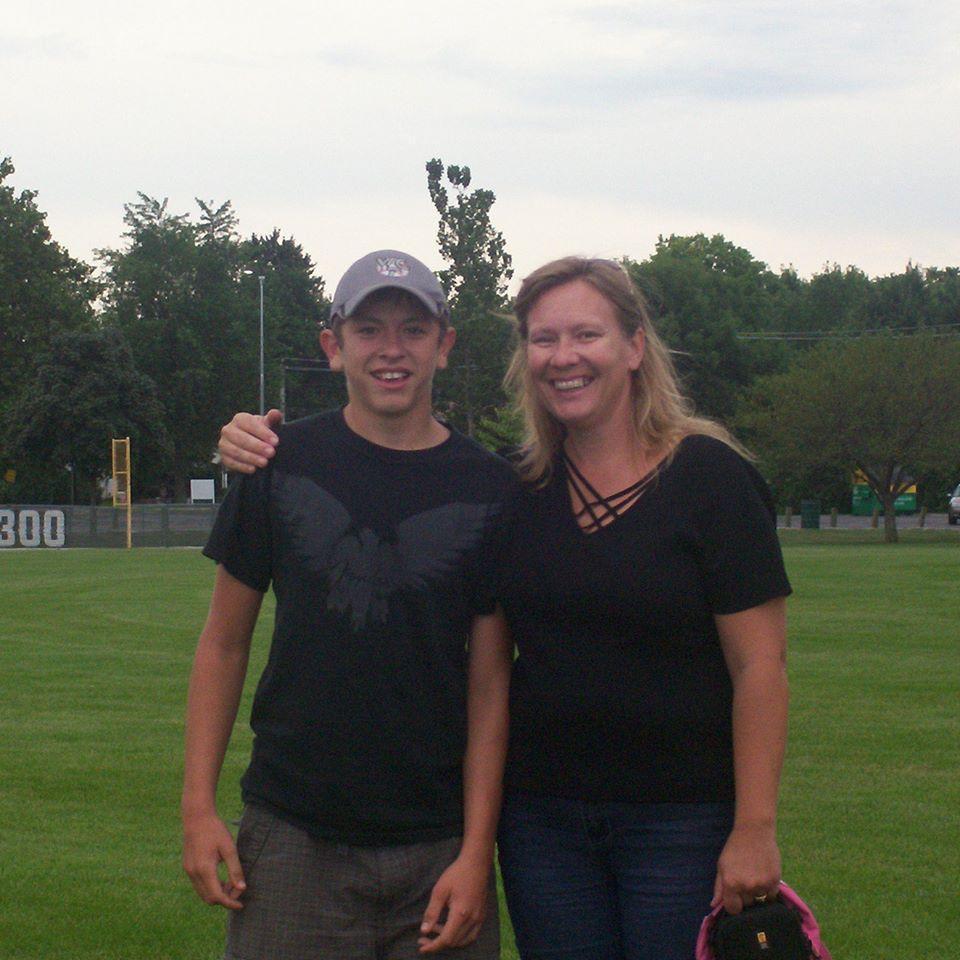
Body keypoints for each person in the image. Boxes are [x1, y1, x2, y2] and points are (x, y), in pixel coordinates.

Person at [218, 257, 792, 960]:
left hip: (678, 822)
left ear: (635, 346)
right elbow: (491, 669)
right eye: (543, 339)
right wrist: (245, 437)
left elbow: (760, 663)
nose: (564, 357)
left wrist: (755, 826)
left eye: (586, 335)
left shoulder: (709, 478)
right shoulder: (521, 487)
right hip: (543, 824)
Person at [182, 249, 516, 960]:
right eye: (369, 330)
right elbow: (222, 644)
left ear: (445, 345)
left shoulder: (489, 487)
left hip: (436, 840)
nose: (391, 350)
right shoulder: (277, 462)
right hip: (294, 832)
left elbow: (491, 683)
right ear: (333, 347)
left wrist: (475, 852)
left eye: (413, 330)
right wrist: (198, 806)